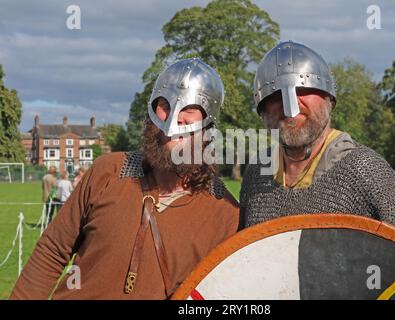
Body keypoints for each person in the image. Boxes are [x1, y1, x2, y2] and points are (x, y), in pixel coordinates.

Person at [10, 58, 239, 299]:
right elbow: (52, 252)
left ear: (208, 124)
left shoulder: (225, 212)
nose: (175, 119)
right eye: (165, 106)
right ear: (152, 110)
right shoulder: (109, 171)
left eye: (189, 109)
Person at [239, 41, 395, 245]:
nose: (290, 106)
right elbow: (241, 258)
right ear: (263, 109)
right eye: (276, 95)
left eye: (302, 89)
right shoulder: (258, 171)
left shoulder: (365, 169)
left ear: (329, 98)